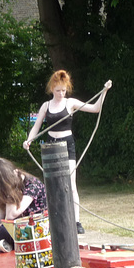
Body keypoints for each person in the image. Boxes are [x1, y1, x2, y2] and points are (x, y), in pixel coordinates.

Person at [23, 70, 112, 234]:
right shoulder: (46, 106)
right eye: (58, 90)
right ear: (52, 88)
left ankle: (76, 221)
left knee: (71, 185)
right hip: (51, 146)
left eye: (63, 90)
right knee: (53, 185)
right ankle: (55, 220)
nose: (61, 93)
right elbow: (36, 127)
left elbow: (95, 108)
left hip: (67, 145)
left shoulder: (70, 102)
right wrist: (29, 140)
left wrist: (104, 91)